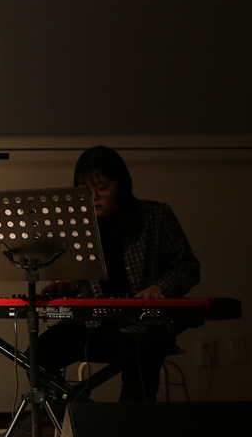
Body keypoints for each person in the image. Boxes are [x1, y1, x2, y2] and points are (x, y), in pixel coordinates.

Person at [38, 145, 201, 401]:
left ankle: (124, 425)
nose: (94, 196)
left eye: (103, 187)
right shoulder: (79, 227)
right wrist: (67, 286)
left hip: (144, 327)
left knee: (140, 369)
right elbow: (81, 282)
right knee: (37, 355)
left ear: (122, 185)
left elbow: (187, 266)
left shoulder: (155, 216)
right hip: (92, 326)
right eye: (85, 189)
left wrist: (159, 288)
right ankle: (80, 416)